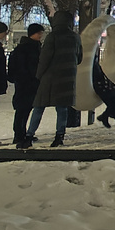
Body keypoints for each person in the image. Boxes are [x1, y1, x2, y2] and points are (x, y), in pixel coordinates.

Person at [28, 10, 82, 147]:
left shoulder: (53, 37)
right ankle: (59, 136)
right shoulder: (75, 37)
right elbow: (79, 58)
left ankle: (29, 135)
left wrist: (38, 75)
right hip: (67, 79)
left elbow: (44, 58)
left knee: (39, 106)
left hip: (50, 78)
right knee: (62, 108)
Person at [7, 23, 44, 149]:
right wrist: (28, 77)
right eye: (39, 33)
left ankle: (21, 133)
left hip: (29, 82)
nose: (41, 35)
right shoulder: (26, 48)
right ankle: (19, 134)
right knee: (22, 109)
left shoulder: (33, 47)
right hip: (25, 82)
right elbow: (24, 66)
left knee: (26, 108)